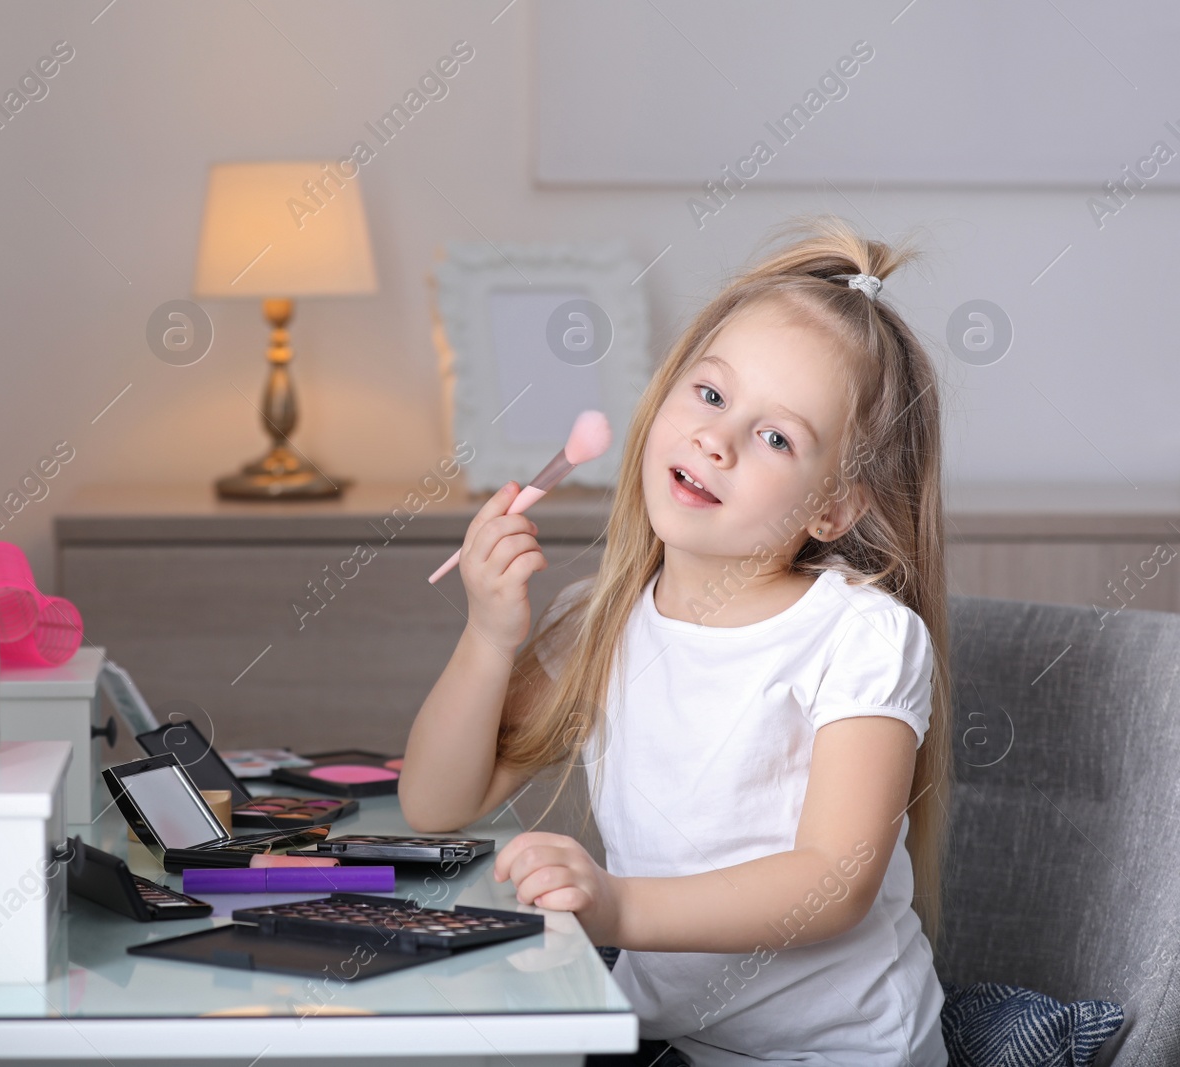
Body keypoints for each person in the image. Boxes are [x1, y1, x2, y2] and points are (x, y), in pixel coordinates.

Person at [399, 215, 951, 1066]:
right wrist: (486, 632)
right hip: (673, 1041)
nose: (716, 439)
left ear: (833, 509)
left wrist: (617, 908)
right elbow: (436, 803)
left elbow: (833, 881)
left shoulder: (862, 636)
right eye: (711, 393)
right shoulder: (601, 617)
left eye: (776, 438)